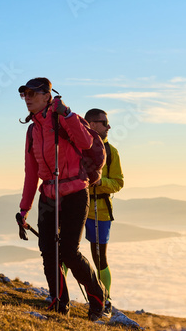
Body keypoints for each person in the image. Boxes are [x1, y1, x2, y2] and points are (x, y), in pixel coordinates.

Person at [16, 77, 106, 320]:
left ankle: (98, 300)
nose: (27, 98)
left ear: (47, 95)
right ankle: (59, 302)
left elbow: (86, 141)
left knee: (68, 251)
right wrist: (24, 209)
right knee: (48, 250)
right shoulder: (32, 129)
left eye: (32, 94)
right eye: (24, 94)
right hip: (48, 194)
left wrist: (65, 114)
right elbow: (31, 172)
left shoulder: (67, 117)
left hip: (75, 192)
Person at [84, 108, 124, 313]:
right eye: (104, 123)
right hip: (76, 205)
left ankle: (105, 300)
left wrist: (100, 182)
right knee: (64, 251)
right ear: (91, 124)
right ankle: (60, 294)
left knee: (99, 258)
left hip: (100, 208)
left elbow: (118, 183)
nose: (109, 127)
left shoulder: (112, 152)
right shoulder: (77, 147)